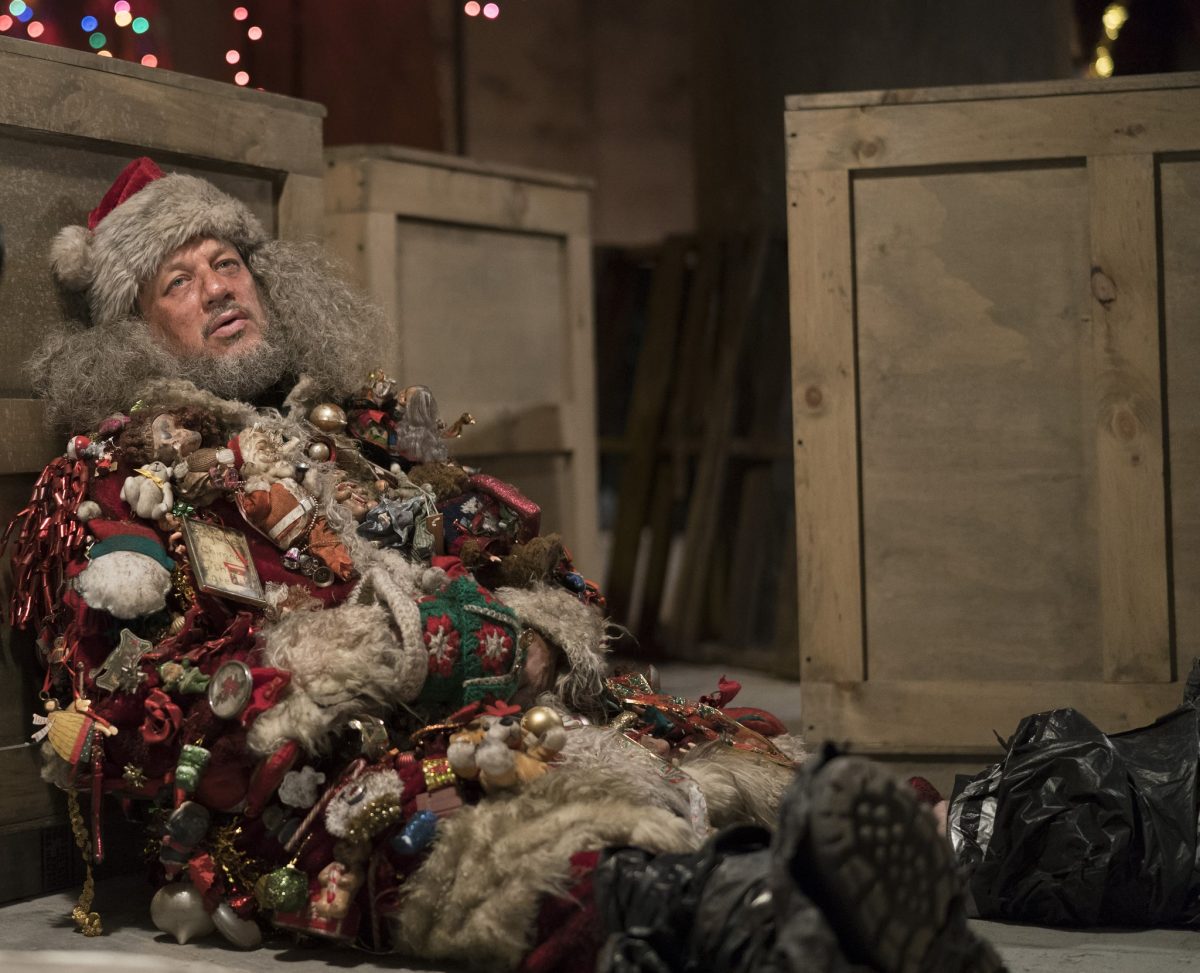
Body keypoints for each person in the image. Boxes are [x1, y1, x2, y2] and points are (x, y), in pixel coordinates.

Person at [8, 158, 1005, 972]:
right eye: (178, 281)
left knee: (733, 767)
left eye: (227, 261)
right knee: (531, 861)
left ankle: (1017, 834)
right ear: (134, 331)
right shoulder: (119, 481)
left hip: (517, 713)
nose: (218, 287)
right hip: (333, 778)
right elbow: (139, 714)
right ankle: (773, 931)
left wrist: (537, 635)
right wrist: (409, 650)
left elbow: (542, 574)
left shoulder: (360, 429)